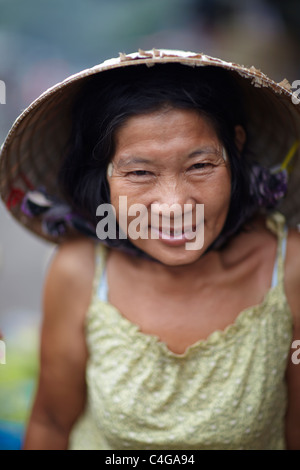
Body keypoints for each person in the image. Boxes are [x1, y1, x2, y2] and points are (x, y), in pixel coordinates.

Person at [0, 49, 300, 450]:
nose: (175, 207)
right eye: (140, 172)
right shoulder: (80, 272)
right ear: (103, 178)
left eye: (200, 166)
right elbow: (52, 423)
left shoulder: (290, 269)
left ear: (236, 150)